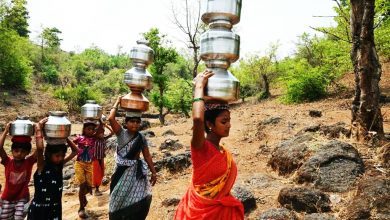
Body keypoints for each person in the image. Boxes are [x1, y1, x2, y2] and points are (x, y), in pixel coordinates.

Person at [174, 70, 244, 220]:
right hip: (200, 212)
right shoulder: (200, 147)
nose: (229, 125)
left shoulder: (223, 151)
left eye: (229, 121)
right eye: (224, 121)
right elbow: (198, 119)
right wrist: (199, 86)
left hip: (221, 212)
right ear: (210, 124)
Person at [108, 97, 157, 220]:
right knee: (117, 198)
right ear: (126, 123)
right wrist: (117, 102)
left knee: (138, 197)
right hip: (121, 173)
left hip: (135, 174)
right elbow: (110, 118)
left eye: (137, 122)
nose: (135, 124)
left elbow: (147, 156)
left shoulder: (141, 138)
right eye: (132, 121)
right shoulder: (121, 133)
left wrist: (154, 172)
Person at [27, 118, 79, 220]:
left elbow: (76, 151)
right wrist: (38, 129)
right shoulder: (42, 165)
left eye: (62, 155)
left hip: (55, 208)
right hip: (40, 210)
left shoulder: (59, 166)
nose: (60, 158)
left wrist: (64, 137)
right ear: (49, 154)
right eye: (57, 156)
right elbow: (40, 148)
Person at [0, 123, 38, 220]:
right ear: (12, 151)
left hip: (22, 197)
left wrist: (39, 131)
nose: (19, 154)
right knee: (4, 218)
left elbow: (40, 149)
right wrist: (6, 131)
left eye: (23, 151)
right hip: (7, 198)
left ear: (27, 153)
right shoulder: (7, 161)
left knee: (18, 218)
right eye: (16, 151)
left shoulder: (29, 162)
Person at [72, 121, 98, 218]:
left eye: (92, 129)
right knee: (82, 185)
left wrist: (99, 121)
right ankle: (81, 208)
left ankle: (83, 198)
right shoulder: (79, 138)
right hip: (79, 164)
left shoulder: (94, 139)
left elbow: (100, 130)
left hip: (89, 165)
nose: (91, 131)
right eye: (88, 129)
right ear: (84, 129)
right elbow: (71, 143)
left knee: (88, 187)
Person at [92, 119, 114, 196]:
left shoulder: (103, 139)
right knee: (96, 174)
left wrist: (106, 125)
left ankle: (97, 188)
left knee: (101, 173)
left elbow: (112, 132)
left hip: (101, 158)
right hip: (95, 158)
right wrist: (100, 123)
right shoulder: (94, 139)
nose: (102, 134)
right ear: (97, 133)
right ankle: (96, 189)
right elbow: (94, 132)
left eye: (103, 133)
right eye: (100, 133)